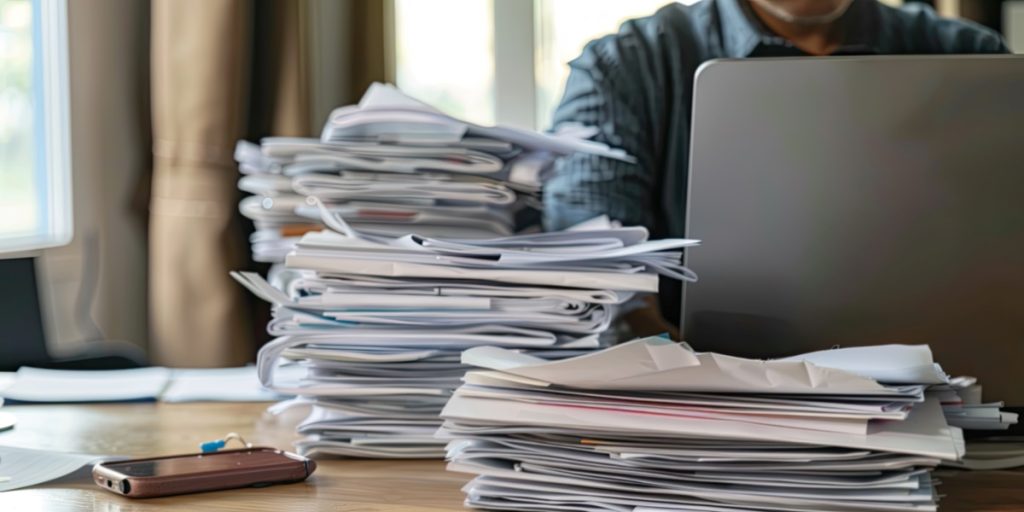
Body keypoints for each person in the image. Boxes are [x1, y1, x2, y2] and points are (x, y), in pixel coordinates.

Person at [544, 0, 1007, 339]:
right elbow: (592, 262)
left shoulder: (977, 59)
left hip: (953, 397)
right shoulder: (624, 65)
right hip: (701, 410)